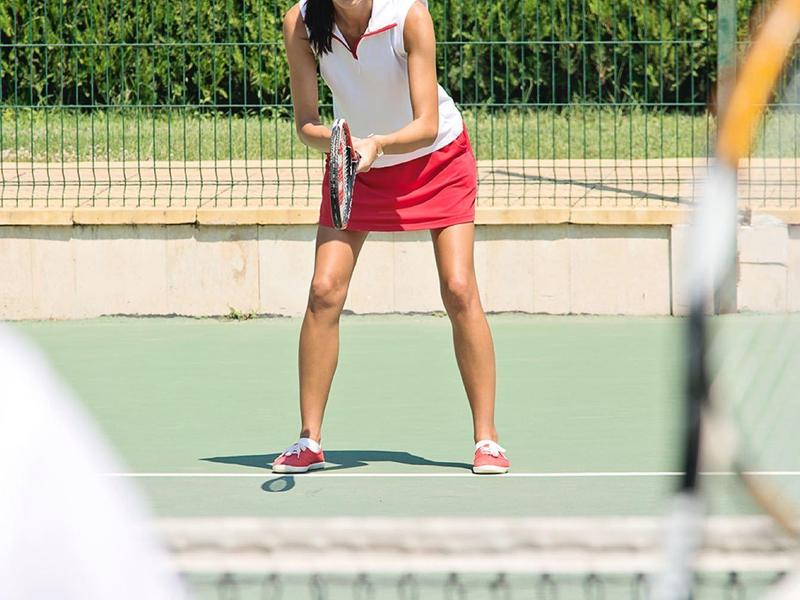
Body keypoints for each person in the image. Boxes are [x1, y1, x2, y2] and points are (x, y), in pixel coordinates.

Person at [273, 0, 509, 475]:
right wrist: (338, 143)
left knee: (459, 288)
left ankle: (488, 440)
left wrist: (377, 143)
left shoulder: (408, 17)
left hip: (435, 160)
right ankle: (308, 440)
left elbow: (426, 125)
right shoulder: (300, 23)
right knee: (323, 291)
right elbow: (305, 124)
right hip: (359, 164)